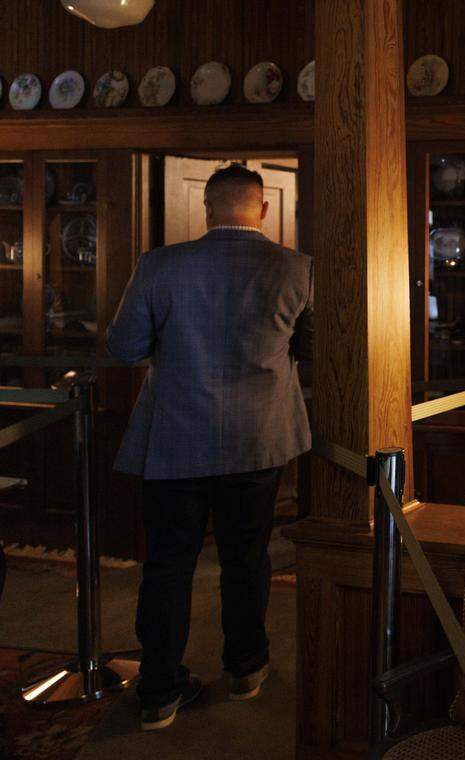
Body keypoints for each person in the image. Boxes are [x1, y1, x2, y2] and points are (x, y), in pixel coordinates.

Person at [107, 163, 313, 731]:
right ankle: (246, 668)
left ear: (206, 207)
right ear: (263, 208)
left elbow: (124, 348)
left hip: (176, 438)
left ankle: (159, 693)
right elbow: (313, 349)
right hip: (259, 438)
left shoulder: (160, 265)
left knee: (168, 563)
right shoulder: (296, 269)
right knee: (247, 556)